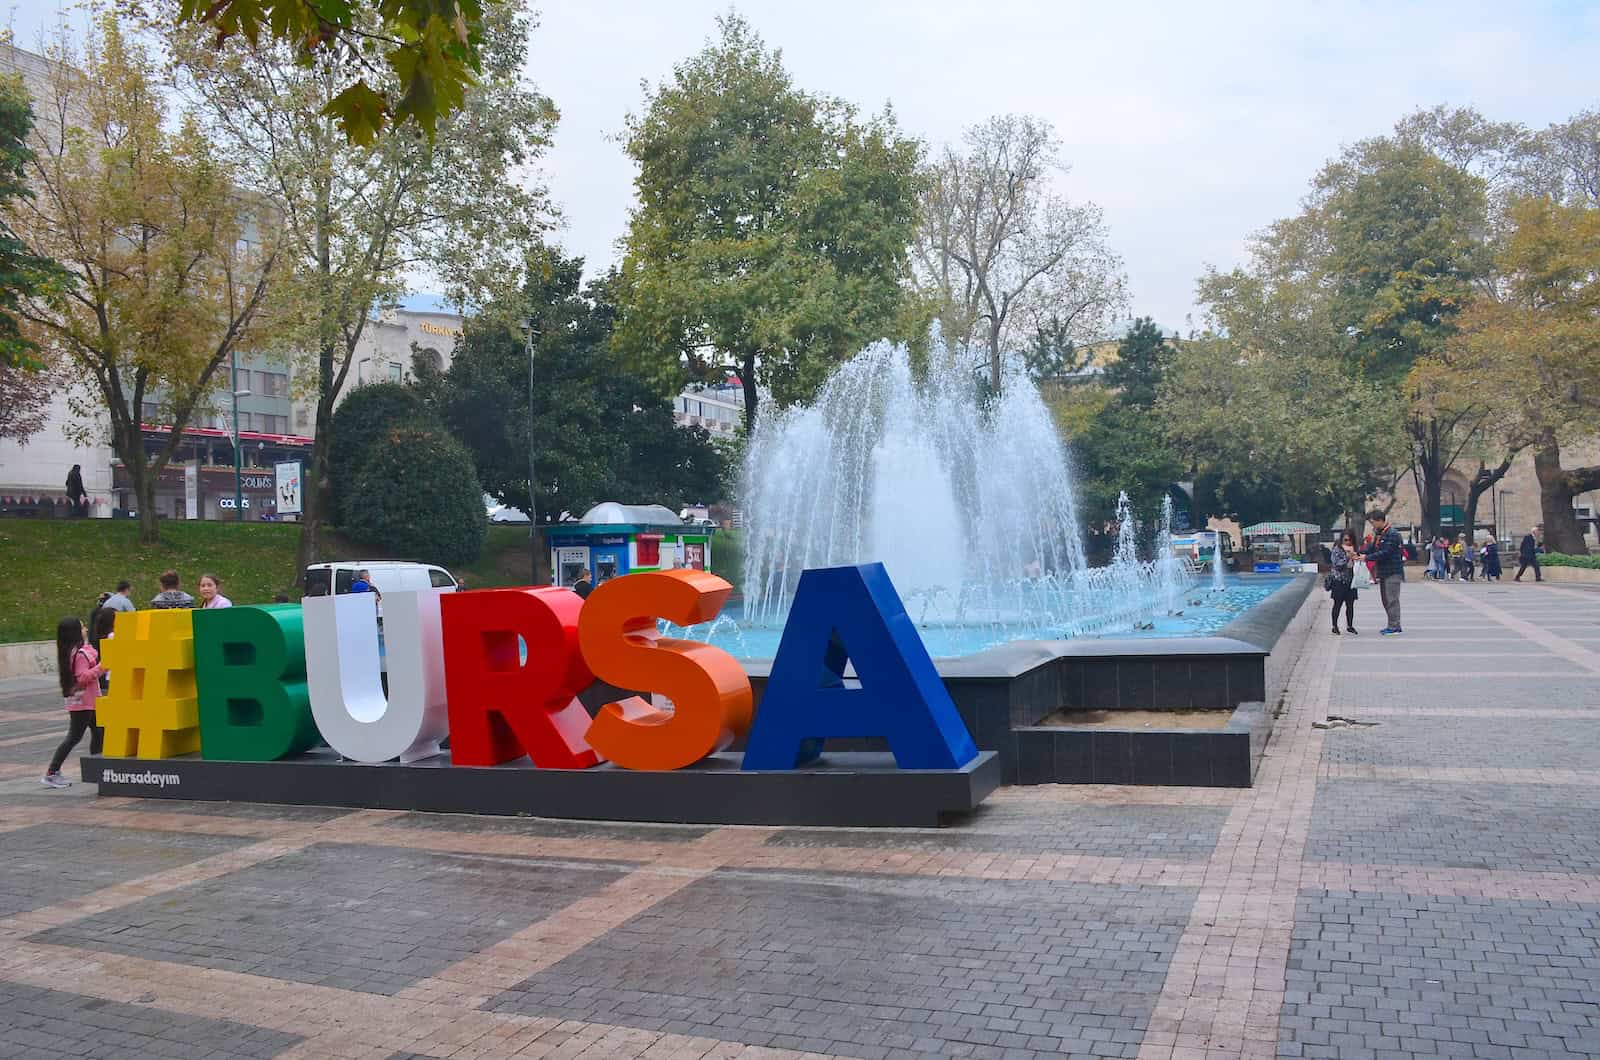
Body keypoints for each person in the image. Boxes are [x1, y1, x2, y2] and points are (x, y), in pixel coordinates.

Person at [41, 617, 105, 788]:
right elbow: (82, 677)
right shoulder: (81, 654)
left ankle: (98, 769)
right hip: (83, 702)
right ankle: (52, 772)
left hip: (86, 701)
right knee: (74, 736)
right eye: (82, 627)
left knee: (99, 731)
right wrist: (103, 667)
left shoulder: (72, 651)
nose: (85, 629)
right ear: (75, 632)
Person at [1362, 508, 1405, 636]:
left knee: (1392, 599)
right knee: (1385, 599)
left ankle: (1395, 626)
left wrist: (1366, 557)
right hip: (1383, 572)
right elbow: (1372, 548)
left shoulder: (1392, 534)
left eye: (1373, 522)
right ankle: (1391, 624)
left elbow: (1385, 552)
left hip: (1393, 571)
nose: (1372, 525)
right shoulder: (1380, 534)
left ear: (1380, 520)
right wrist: (1360, 552)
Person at [1328, 531, 1360, 635]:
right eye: (1345, 540)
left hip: (1351, 580)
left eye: (1350, 540)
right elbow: (1336, 564)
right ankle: (1334, 625)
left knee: (1350, 605)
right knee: (1337, 604)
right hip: (1339, 580)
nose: (1348, 542)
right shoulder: (1337, 550)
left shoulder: (1354, 549)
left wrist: (1356, 557)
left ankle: (1350, 625)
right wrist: (1347, 557)